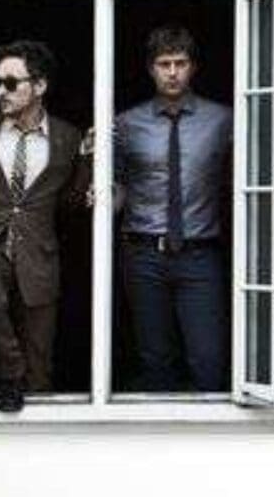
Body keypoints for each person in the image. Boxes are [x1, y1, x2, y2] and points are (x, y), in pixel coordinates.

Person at [0, 40, 85, 413]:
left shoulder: (67, 137)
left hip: (39, 256)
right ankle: (9, 372)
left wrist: (92, 166)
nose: (2, 91)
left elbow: (70, 204)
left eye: (12, 83)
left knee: (40, 368)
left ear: (40, 86)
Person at [113, 25, 233, 392]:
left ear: (192, 67)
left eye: (180, 63)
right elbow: (116, 186)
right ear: (151, 69)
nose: (172, 72)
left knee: (208, 359)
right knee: (155, 358)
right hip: (143, 254)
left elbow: (239, 182)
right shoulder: (126, 124)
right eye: (164, 64)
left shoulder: (223, 120)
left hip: (200, 254)